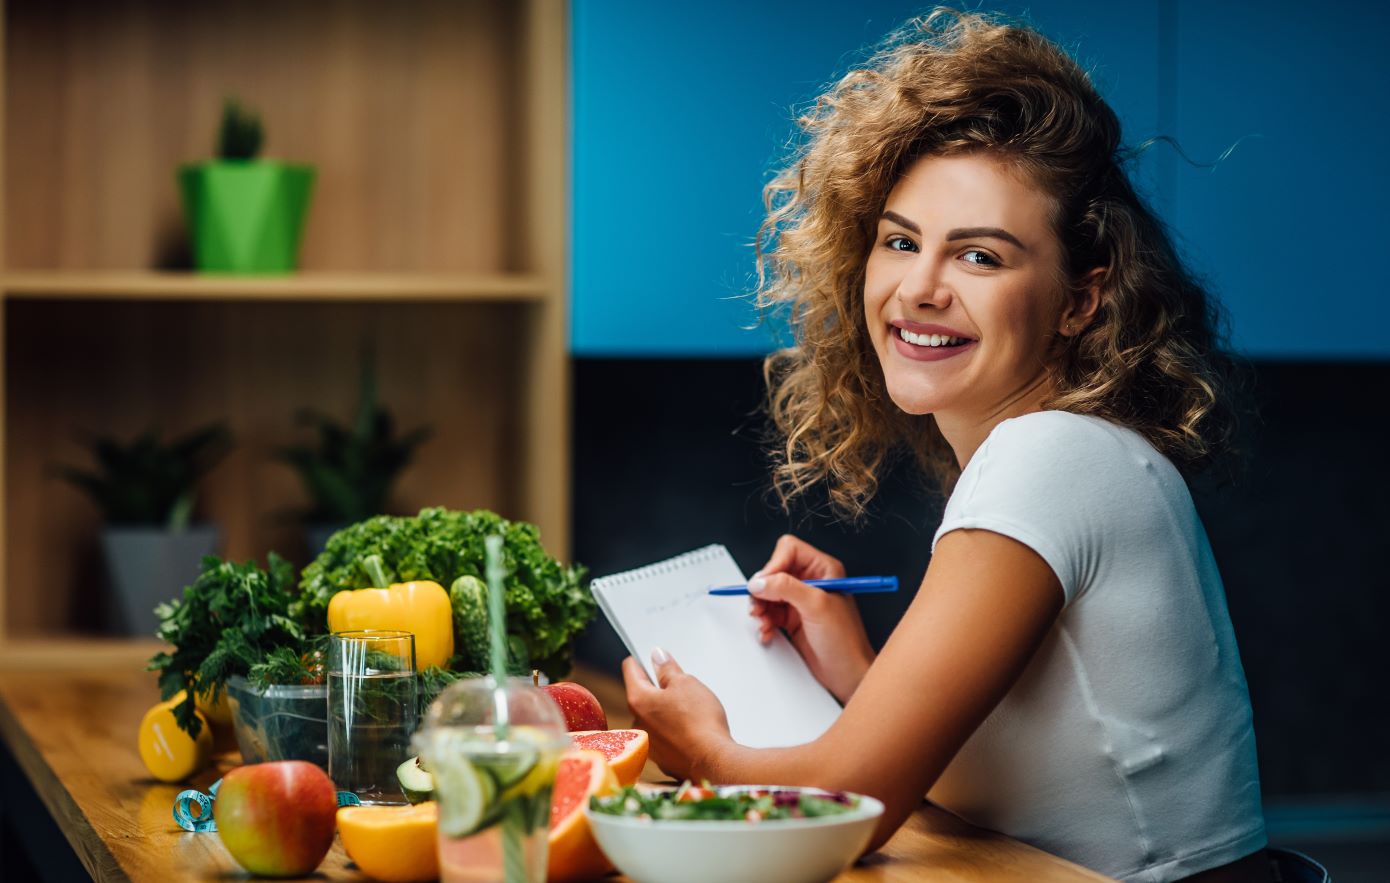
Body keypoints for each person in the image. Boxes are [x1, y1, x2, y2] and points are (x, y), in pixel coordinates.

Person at [621, 9, 1272, 883]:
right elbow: (1025, 770)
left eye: (980, 257)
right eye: (899, 241)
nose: (918, 288)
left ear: (1082, 297)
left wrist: (702, 749)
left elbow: (845, 807)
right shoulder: (1075, 450)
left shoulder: (1049, 458)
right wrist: (859, 673)